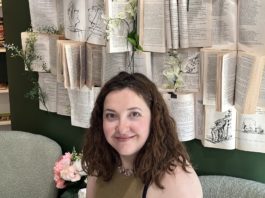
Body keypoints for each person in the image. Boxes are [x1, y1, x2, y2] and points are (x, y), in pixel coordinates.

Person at [82, 72, 203, 198]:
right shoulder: (100, 163)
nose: (122, 129)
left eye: (134, 114)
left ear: (154, 118)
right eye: (111, 115)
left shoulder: (178, 183)